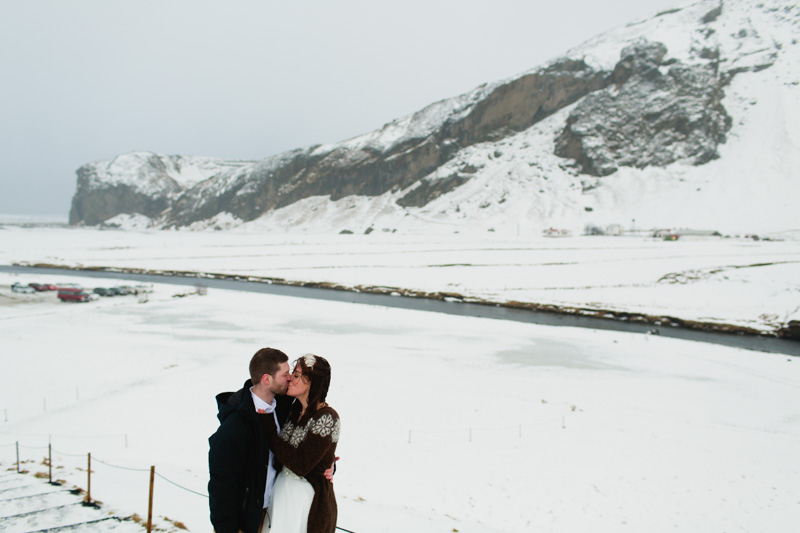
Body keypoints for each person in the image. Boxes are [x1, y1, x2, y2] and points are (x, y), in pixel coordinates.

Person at [208, 347, 293, 533]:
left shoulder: (284, 408)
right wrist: (228, 528)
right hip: (246, 520)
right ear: (266, 379)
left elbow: (299, 448)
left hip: (276, 514)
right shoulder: (236, 423)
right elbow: (222, 484)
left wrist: (326, 465)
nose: (290, 377)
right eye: (285, 374)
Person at [259, 354, 340, 533]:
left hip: (304, 501)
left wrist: (270, 431)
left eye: (296, 376)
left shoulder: (327, 417)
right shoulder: (293, 409)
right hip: (280, 495)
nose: (290, 380)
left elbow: (301, 465)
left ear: (312, 382)